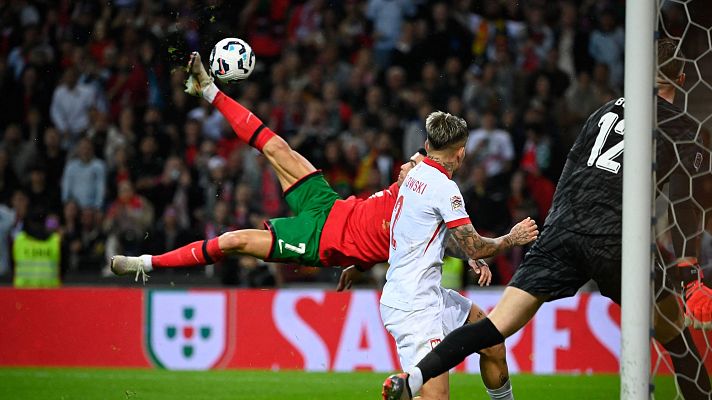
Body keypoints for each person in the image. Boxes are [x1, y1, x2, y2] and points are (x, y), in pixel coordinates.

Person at [111, 53, 517, 398]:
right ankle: (209, 91)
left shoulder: (428, 191)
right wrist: (472, 248)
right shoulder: (421, 182)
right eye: (413, 159)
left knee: (236, 240)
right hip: (331, 205)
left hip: (320, 239)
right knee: (275, 146)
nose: (410, 163)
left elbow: (427, 236)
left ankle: (150, 261)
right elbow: (434, 231)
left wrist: (470, 250)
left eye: (418, 159)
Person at [382, 38, 712, 400]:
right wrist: (688, 270)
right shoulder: (685, 129)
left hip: (562, 231)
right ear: (681, 77)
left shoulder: (603, 111)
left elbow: (572, 166)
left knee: (494, 326)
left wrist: (557, 225)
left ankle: (413, 378)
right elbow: (687, 201)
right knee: (676, 338)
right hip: (616, 237)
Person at [381, 111, 538, 400]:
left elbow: (435, 236)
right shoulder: (444, 187)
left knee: (491, 340)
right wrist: (511, 238)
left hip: (426, 296)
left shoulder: (415, 174)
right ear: (462, 153)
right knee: (435, 398)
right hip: (414, 308)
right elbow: (476, 245)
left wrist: (466, 254)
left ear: (427, 145)